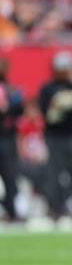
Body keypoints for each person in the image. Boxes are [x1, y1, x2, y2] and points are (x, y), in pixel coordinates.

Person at [38, 51, 72, 220]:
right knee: (54, 174)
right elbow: (47, 113)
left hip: (71, 136)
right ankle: (55, 208)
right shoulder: (47, 88)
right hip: (54, 137)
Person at [0, 58, 24, 221]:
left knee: (10, 177)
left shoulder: (9, 89)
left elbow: (18, 112)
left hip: (6, 138)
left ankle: (12, 210)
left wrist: (11, 104)